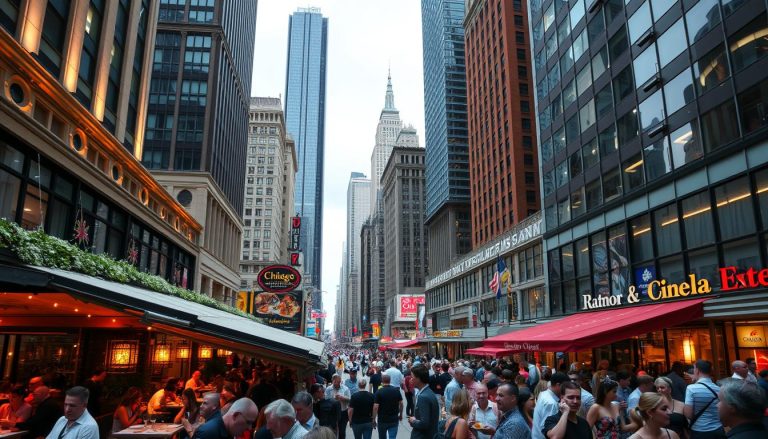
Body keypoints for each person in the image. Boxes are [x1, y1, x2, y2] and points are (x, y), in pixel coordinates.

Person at [684, 360, 724, 439]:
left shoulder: (691, 388)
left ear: (697, 370)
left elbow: (688, 414)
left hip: (699, 430)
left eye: (694, 368)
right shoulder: (719, 389)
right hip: (718, 429)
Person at [194, 397, 258, 439]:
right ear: (235, 415)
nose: (249, 428)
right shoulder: (208, 433)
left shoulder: (228, 432)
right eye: (248, 422)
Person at [532, 372, 569, 439]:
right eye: (565, 387)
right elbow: (550, 430)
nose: (566, 390)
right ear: (558, 385)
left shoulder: (544, 393)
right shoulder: (551, 403)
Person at [408, 364, 439, 439]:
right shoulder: (428, 392)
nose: (410, 379)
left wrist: (413, 421)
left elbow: (424, 424)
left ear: (419, 379)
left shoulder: (423, 396)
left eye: (412, 377)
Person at [372, 373, 402, 439]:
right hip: (394, 419)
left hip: (382, 420)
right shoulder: (396, 390)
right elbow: (401, 403)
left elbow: (375, 407)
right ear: (390, 380)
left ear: (382, 381)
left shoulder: (379, 392)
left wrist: (373, 419)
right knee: (392, 437)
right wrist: (401, 414)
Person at [325, 374, 351, 439]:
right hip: (332, 413)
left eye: (338, 382)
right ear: (332, 381)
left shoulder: (345, 388)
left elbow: (350, 400)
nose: (337, 383)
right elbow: (325, 400)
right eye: (335, 382)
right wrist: (333, 398)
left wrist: (343, 398)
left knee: (342, 431)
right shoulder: (328, 389)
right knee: (332, 431)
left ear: (340, 381)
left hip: (343, 412)